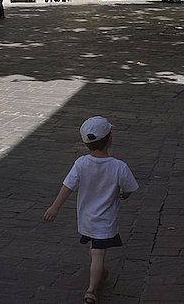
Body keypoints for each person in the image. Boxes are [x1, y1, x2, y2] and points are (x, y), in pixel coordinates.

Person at [44, 117, 138, 304]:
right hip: (106, 220)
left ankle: (100, 272)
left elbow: (67, 187)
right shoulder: (119, 166)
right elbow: (129, 188)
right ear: (110, 139)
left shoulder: (81, 163)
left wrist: (55, 207)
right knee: (98, 253)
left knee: (94, 249)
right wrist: (124, 194)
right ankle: (91, 290)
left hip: (86, 218)